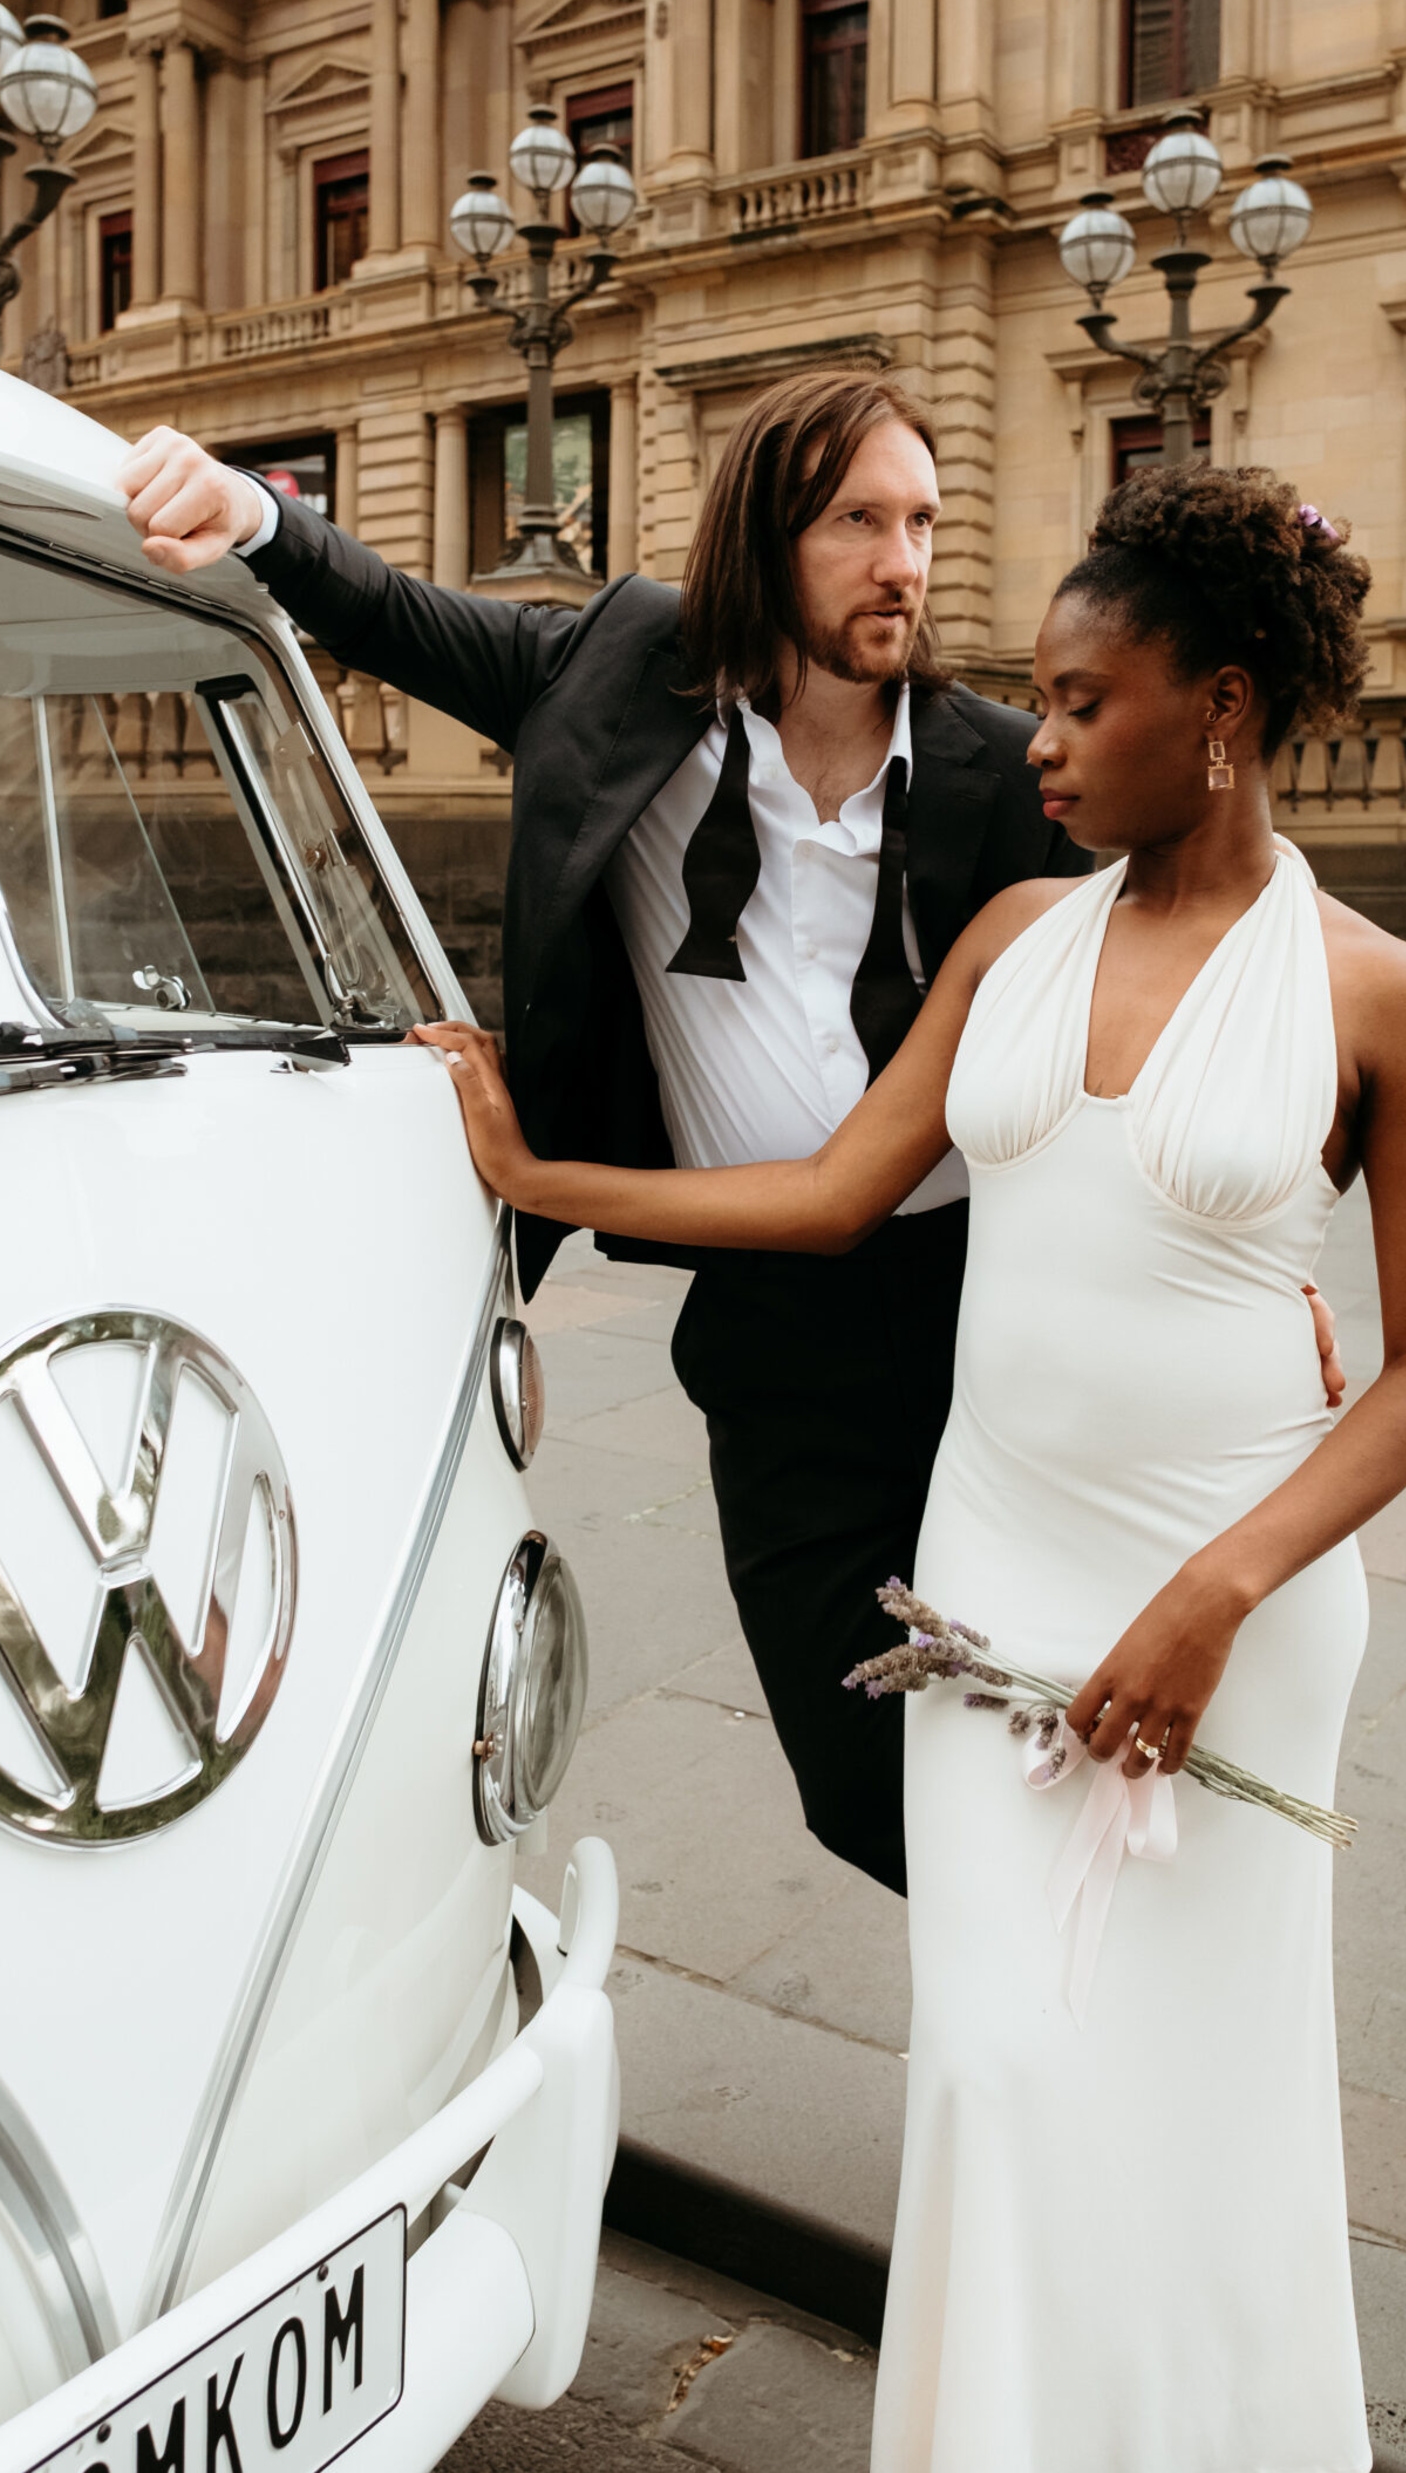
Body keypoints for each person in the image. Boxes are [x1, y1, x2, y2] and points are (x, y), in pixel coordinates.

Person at [412, 461, 1406, 2473]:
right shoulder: (1009, 933)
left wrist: (1219, 1589)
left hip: (1230, 1591)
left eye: (1088, 702)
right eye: (1044, 699)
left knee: (1205, 2071)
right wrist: (526, 1172)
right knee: (998, 2063)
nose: (1043, 741)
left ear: (1227, 708)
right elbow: (831, 1194)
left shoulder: (1385, 1000)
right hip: (994, 1558)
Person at [117, 370, 1090, 1894]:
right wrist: (249, 512)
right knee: (857, 1772)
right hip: (774, 1329)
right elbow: (403, 617)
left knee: (1033, 1709)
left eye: (922, 523)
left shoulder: (1001, 768)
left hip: (993, 1303)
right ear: (765, 535)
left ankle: (1045, 2021)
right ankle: (1037, 1968)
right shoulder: (621, 672)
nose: (904, 562)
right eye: (858, 523)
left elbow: (1169, 973)